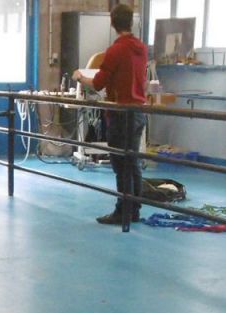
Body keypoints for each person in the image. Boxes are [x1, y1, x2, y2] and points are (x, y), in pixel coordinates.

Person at [73, 4, 148, 225]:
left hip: (120, 113)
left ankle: (122, 211)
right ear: (131, 22)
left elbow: (97, 83)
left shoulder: (116, 50)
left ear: (112, 23)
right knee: (132, 161)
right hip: (138, 111)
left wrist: (79, 77)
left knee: (120, 164)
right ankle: (133, 209)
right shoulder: (141, 48)